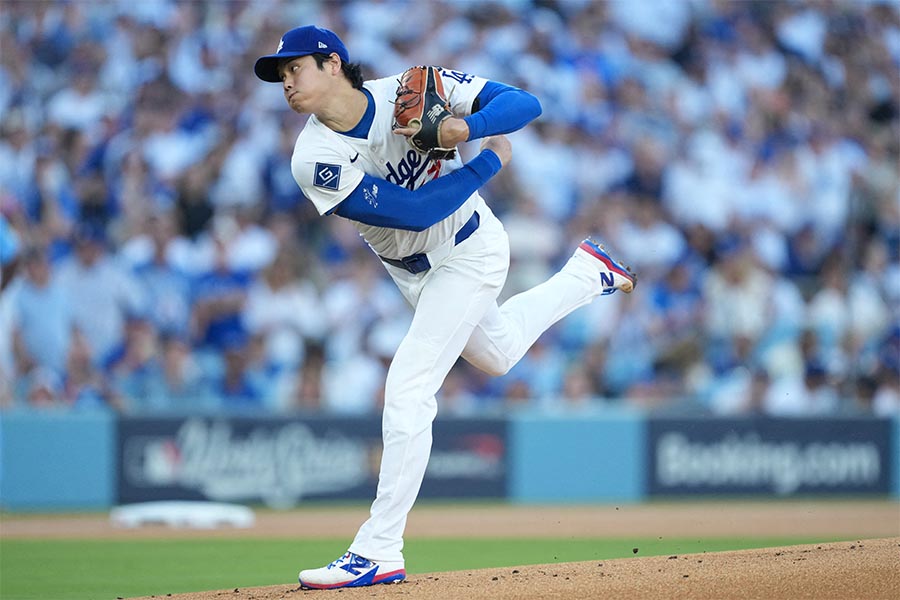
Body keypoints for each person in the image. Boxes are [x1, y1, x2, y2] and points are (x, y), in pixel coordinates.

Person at [254, 25, 636, 590]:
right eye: (281, 75)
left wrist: (470, 126)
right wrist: (485, 162)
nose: (286, 82)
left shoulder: (412, 88)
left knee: (408, 386)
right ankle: (588, 273)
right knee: (500, 353)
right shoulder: (313, 157)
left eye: (295, 68)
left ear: (333, 63)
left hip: (470, 251)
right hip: (415, 272)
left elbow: (524, 103)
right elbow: (411, 212)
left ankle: (378, 548)